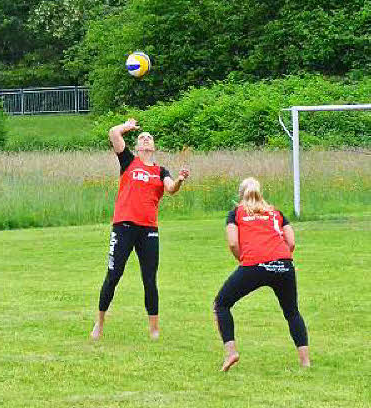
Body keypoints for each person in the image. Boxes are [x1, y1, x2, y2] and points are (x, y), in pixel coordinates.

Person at [91, 118, 190, 340]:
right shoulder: (128, 161)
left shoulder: (160, 171)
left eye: (149, 137)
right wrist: (127, 127)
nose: (146, 139)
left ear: (153, 147)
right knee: (113, 275)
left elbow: (171, 189)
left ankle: (154, 329)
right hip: (124, 226)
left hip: (148, 230)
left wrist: (180, 179)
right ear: (136, 146)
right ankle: (99, 323)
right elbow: (113, 133)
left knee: (149, 278)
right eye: (141, 137)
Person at [213, 177, 310, 371]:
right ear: (261, 193)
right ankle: (305, 362)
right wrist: (280, 260)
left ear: (240, 196)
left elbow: (233, 242)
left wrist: (244, 260)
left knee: (221, 304)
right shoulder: (276, 213)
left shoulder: (236, 213)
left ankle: (231, 352)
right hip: (284, 264)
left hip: (254, 264)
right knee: (292, 312)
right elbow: (291, 242)